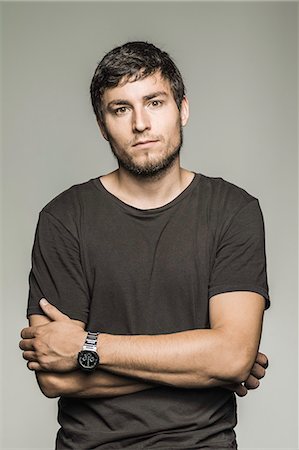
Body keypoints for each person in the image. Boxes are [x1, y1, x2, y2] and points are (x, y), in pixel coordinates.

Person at [19, 41, 270, 450]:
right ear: (103, 126)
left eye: (154, 102)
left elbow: (230, 358)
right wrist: (201, 365)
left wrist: (88, 346)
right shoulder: (63, 219)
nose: (140, 123)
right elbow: (54, 377)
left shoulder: (233, 210)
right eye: (121, 109)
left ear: (182, 109)